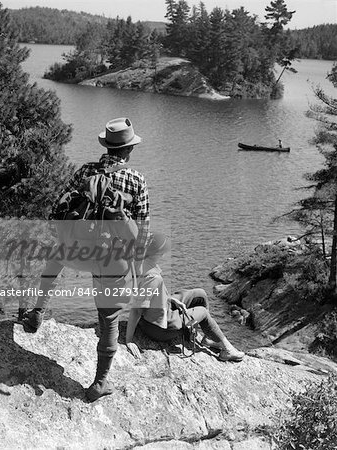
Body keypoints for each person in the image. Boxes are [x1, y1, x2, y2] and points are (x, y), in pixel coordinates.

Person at [23, 117, 150, 401]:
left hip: (78, 251)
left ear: (106, 146)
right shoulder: (136, 180)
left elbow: (57, 210)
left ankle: (37, 313)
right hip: (111, 259)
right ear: (129, 150)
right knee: (109, 319)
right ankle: (99, 383)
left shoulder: (85, 171)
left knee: (55, 258)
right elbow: (141, 232)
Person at [125, 233, 245, 362]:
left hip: (159, 311)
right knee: (203, 312)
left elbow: (151, 294)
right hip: (159, 329)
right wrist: (129, 340)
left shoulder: (142, 262)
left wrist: (171, 299)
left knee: (200, 294)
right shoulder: (153, 278)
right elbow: (137, 309)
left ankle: (208, 338)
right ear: (159, 253)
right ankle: (227, 350)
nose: (165, 255)